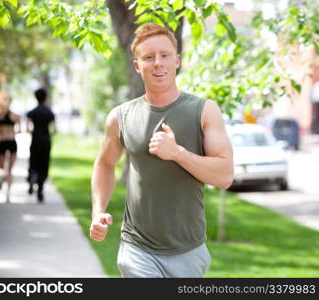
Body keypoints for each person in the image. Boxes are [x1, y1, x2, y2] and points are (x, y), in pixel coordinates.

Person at [89, 24, 234, 278]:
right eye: (148, 57)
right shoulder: (120, 117)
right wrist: (97, 211)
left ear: (176, 61)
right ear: (137, 66)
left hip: (188, 250)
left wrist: (177, 152)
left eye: (165, 55)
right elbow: (104, 165)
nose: (158, 63)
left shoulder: (204, 111)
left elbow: (224, 175)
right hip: (137, 249)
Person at [27, 88, 56, 203]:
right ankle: (40, 189)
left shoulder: (32, 112)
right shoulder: (49, 112)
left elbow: (28, 128)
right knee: (44, 165)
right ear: (45, 97)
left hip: (35, 141)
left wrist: (34, 132)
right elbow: (54, 130)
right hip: (46, 141)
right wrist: (47, 134)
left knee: (33, 162)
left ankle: (32, 176)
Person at [0, 96, 20, 203]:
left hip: (5, 141)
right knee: (4, 169)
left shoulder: (0, 116)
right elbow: (18, 130)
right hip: (9, 141)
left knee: (5, 169)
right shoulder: (7, 116)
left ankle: (7, 189)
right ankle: (6, 188)